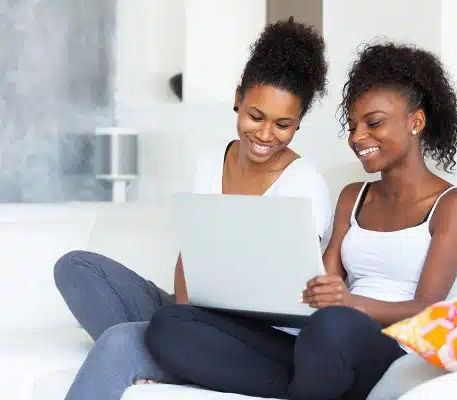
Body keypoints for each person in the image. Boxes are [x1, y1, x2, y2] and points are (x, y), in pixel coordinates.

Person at [144, 42, 457, 400]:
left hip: (386, 349)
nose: (357, 137)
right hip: (322, 341)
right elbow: (324, 285)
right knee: (171, 325)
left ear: (416, 121)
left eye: (373, 123)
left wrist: (349, 305)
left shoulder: (454, 205)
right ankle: (298, 389)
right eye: (352, 126)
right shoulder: (353, 196)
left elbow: (429, 308)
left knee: (334, 325)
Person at [54, 17, 330, 399]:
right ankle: (175, 358)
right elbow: (191, 256)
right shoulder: (210, 161)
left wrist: (190, 330)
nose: (266, 135)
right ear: (238, 99)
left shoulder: (305, 185)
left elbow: (291, 298)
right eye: (255, 116)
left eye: (283, 124)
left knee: (121, 343)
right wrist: (184, 321)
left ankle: (164, 355)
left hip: (260, 341)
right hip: (193, 320)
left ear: (298, 124)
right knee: (76, 267)